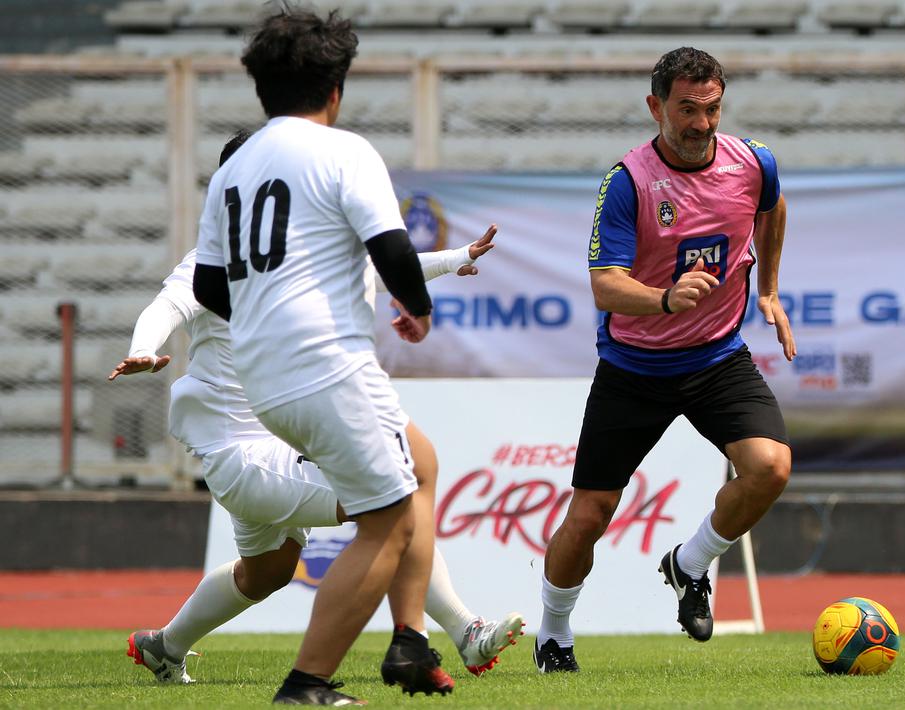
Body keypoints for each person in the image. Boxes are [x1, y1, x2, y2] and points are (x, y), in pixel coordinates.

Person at [116, 130, 521, 690]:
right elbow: (169, 305)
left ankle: (164, 646)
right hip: (245, 451)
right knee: (391, 504)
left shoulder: (295, 253)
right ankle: (463, 630)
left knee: (270, 570)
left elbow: (374, 272)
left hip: (274, 444)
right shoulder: (214, 259)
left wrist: (454, 259)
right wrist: (142, 347)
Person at [190, 7, 454, 704]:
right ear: (335, 89)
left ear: (261, 87)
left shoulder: (233, 169)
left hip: (265, 377)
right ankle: (306, 684)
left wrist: (266, 324)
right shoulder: (343, 151)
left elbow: (207, 284)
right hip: (326, 365)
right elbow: (391, 248)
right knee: (390, 519)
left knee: (418, 463)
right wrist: (419, 311)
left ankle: (410, 638)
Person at [533, 47, 796, 674]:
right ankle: (554, 632)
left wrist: (769, 289)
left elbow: (773, 207)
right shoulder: (627, 181)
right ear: (656, 107)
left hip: (717, 359)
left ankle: (690, 562)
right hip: (634, 368)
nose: (701, 123)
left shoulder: (754, 163)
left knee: (770, 468)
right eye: (686, 109)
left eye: (711, 108)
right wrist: (664, 299)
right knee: (589, 516)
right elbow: (604, 285)